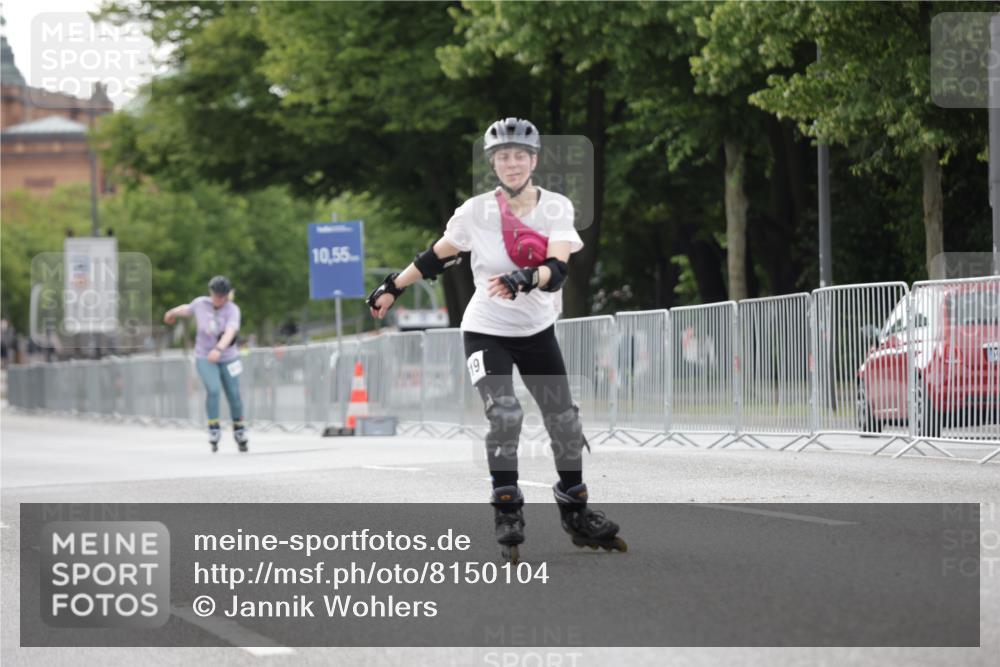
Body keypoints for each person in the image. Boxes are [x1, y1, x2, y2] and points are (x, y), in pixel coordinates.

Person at [367, 118, 624, 561]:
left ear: (534, 160)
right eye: (502, 156)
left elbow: (558, 270)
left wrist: (529, 276)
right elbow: (435, 256)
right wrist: (394, 286)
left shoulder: (557, 207)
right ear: (492, 163)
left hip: (537, 331)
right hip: (486, 331)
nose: (511, 163)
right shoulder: (474, 212)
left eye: (520, 155)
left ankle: (576, 510)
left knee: (564, 421)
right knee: (504, 414)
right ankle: (507, 506)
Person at [164, 276, 248, 453]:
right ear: (211, 293)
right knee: (214, 389)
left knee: (233, 393)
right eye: (216, 294)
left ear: (227, 295)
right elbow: (186, 309)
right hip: (204, 355)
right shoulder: (201, 303)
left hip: (228, 356)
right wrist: (171, 313)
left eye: (222, 295)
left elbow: (230, 331)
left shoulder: (232, 309)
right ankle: (214, 427)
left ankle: (239, 428)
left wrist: (218, 349)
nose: (218, 298)